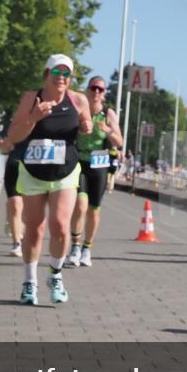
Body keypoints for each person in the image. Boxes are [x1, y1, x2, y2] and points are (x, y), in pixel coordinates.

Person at [2, 54, 93, 305]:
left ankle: (55, 275)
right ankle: (29, 282)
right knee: (35, 229)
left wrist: (86, 126)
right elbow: (14, 136)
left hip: (65, 172)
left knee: (61, 226)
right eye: (56, 72)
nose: (61, 78)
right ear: (46, 74)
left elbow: (86, 123)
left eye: (66, 74)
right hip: (34, 173)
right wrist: (33, 118)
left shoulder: (78, 100)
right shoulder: (31, 98)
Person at [67, 76, 123, 267]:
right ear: (88, 89)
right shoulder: (79, 109)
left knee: (94, 210)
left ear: (104, 93)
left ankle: (87, 249)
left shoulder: (108, 114)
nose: (96, 92)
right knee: (80, 205)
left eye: (100, 89)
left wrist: (107, 130)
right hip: (80, 162)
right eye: (93, 88)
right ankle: (75, 247)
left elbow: (119, 141)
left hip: (99, 165)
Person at [0, 137, 24, 256]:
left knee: (27, 208)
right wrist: (4, 143)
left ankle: (14, 222)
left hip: (35, 169)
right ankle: (17, 243)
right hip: (14, 165)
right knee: (15, 204)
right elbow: (0, 142)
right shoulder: (12, 125)